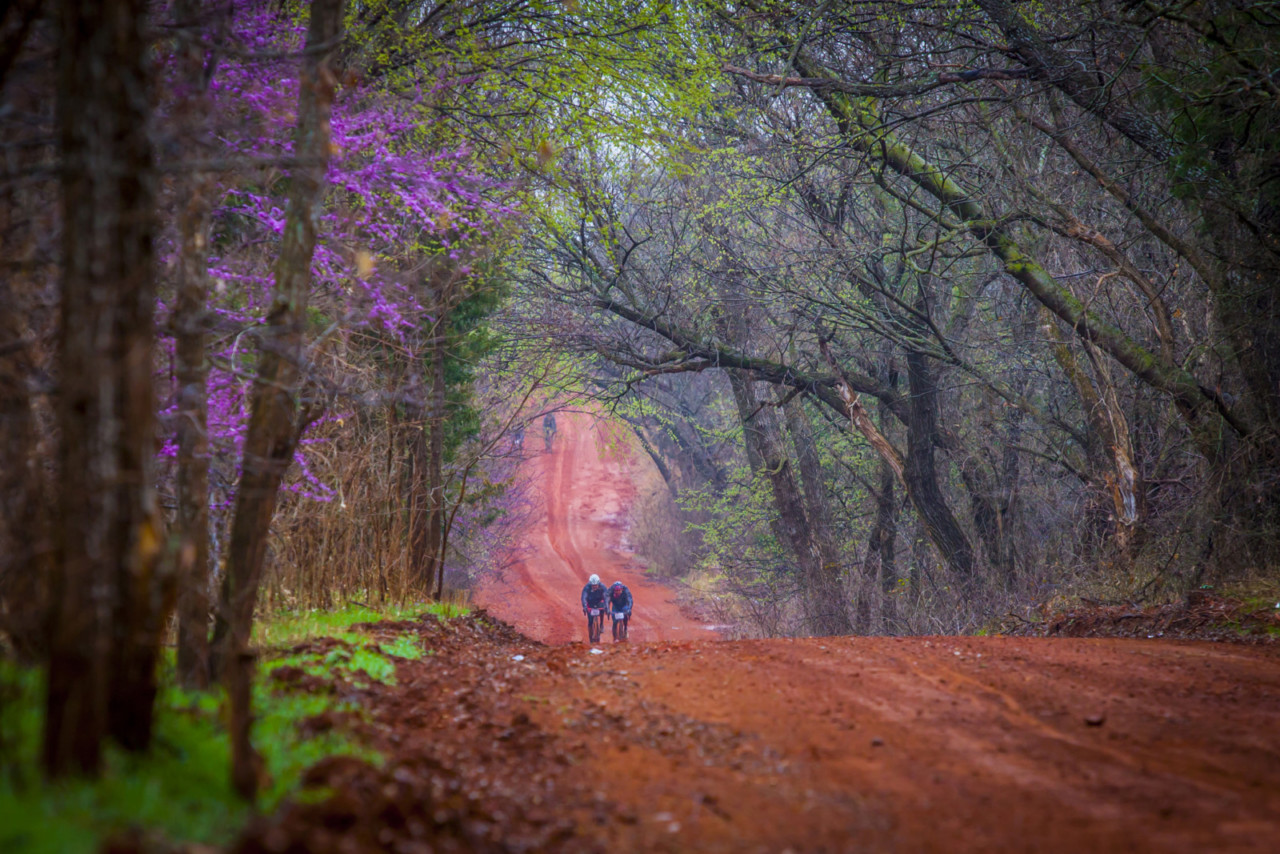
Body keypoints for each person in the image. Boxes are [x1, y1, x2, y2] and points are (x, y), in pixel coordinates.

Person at [581, 573, 607, 642]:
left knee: (602, 609)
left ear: (598, 583)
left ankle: (601, 624)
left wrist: (606, 606)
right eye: (593, 586)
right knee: (590, 621)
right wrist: (584, 606)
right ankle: (590, 636)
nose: (594, 587)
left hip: (599, 601)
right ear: (590, 584)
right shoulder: (587, 587)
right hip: (590, 603)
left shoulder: (602, 587)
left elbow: (606, 597)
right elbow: (584, 597)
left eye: (596, 585)